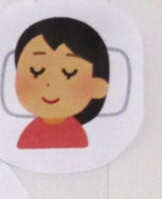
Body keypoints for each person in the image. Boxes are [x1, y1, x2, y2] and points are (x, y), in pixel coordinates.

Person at [13, 17, 110, 149]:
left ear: (97, 86)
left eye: (69, 72)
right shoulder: (31, 133)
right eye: (36, 70)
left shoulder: (74, 136)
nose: (50, 83)